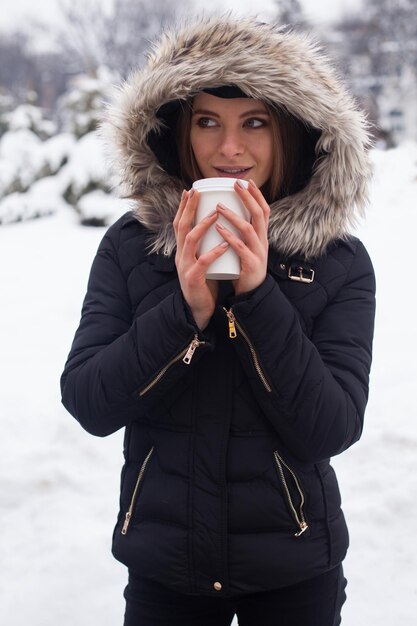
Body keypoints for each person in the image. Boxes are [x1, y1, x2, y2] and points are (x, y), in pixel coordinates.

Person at [60, 15, 376, 626]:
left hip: (294, 569)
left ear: (292, 132)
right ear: (179, 131)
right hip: (165, 572)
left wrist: (256, 296)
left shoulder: (336, 262)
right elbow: (90, 401)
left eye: (254, 122)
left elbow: (331, 427)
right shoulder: (133, 247)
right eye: (207, 122)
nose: (229, 149)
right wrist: (187, 310)